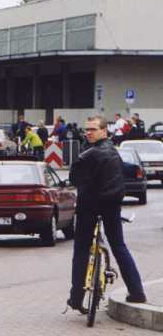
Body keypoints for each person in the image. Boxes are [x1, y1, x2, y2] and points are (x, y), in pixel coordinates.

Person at [67, 115, 146, 313]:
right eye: (87, 129)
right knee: (119, 246)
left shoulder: (88, 154)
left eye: (93, 129)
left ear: (104, 131)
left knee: (81, 250)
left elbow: (74, 178)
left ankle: (76, 298)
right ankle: (137, 292)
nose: (88, 132)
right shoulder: (113, 151)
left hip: (89, 206)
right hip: (112, 205)